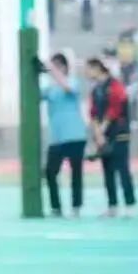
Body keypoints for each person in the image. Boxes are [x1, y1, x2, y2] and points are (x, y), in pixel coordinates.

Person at [86, 58, 137, 218]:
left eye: (89, 69)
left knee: (122, 169)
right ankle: (112, 205)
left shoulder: (116, 86)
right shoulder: (95, 90)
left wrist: (102, 130)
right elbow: (93, 113)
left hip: (119, 133)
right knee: (107, 170)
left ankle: (130, 205)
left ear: (97, 68)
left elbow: (114, 110)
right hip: (104, 136)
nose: (87, 72)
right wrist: (98, 134)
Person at [40, 53, 86, 218]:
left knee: (76, 173)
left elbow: (67, 88)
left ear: (65, 67)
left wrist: (52, 70)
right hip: (57, 138)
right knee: (50, 172)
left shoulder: (72, 81)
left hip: (75, 135)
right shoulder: (50, 89)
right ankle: (56, 207)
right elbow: (35, 95)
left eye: (57, 66)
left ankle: (76, 206)